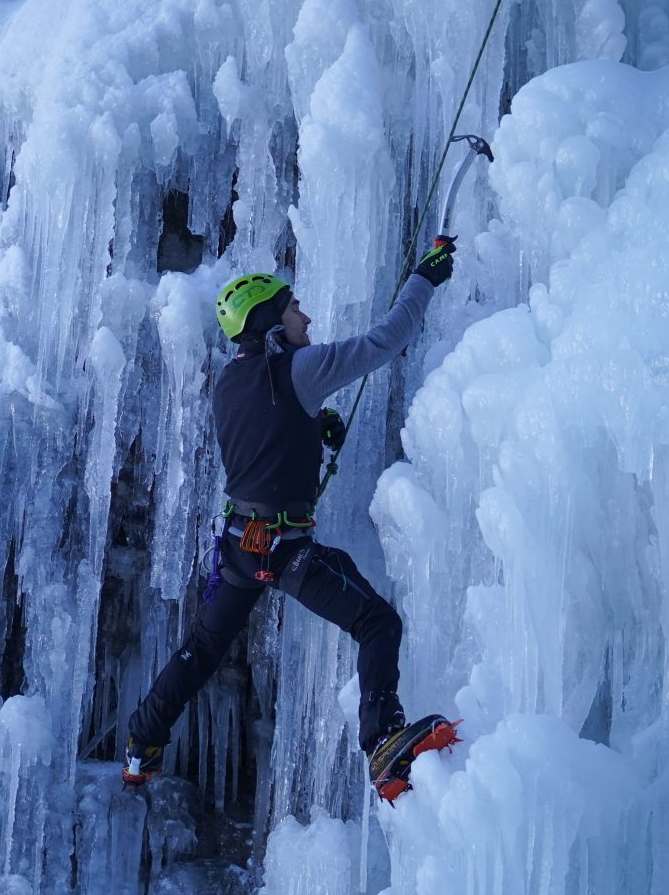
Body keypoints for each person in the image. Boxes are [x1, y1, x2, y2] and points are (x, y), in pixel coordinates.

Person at [123, 238, 462, 801]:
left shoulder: (229, 383)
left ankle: (142, 742)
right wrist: (424, 277)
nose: (304, 316)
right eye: (293, 307)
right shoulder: (300, 367)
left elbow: (263, 437)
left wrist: (314, 425)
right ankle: (383, 743)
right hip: (285, 549)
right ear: (269, 322)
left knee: (204, 648)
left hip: (238, 546)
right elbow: (388, 339)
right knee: (378, 623)